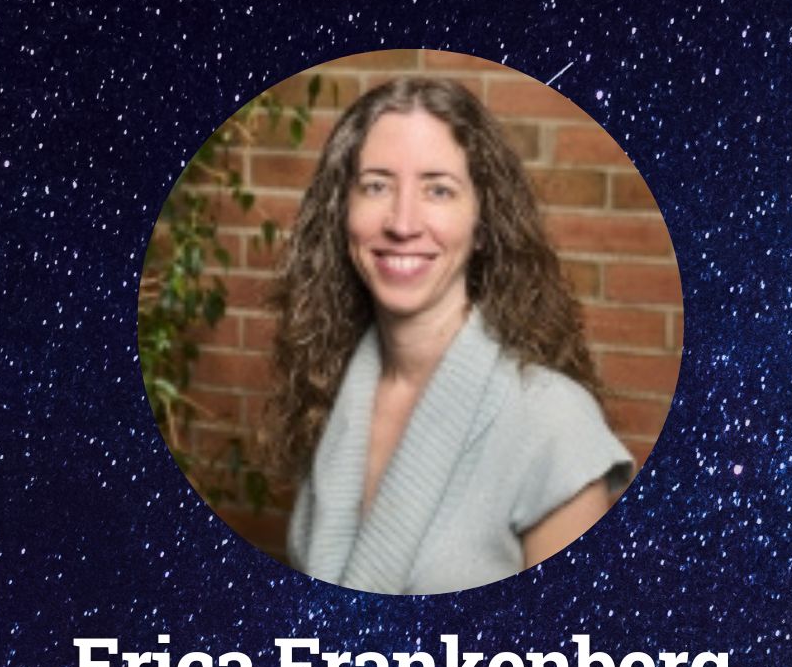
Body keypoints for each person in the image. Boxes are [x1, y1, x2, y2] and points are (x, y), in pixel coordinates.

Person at [266, 76, 631, 594]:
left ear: (483, 223)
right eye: (376, 185)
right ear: (341, 211)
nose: (403, 222)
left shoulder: (555, 423)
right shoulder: (329, 392)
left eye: (439, 189)